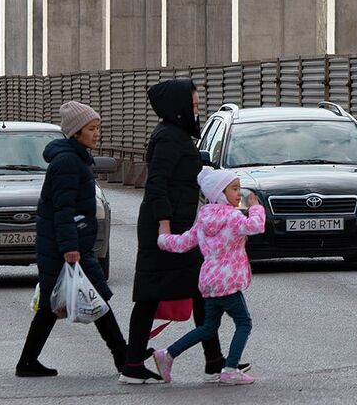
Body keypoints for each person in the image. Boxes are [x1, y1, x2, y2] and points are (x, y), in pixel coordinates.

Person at [119, 78, 224, 384]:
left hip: (179, 225)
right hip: (167, 228)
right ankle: (133, 365)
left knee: (197, 290)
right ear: (178, 107)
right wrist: (164, 226)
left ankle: (214, 361)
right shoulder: (168, 137)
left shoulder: (176, 134)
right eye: (193, 105)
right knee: (151, 294)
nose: (197, 111)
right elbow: (157, 182)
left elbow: (182, 178)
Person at [16, 101, 129, 378]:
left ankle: (27, 362)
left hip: (69, 243)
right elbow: (62, 209)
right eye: (91, 129)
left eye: (97, 128)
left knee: (52, 305)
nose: (96, 133)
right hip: (65, 246)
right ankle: (124, 358)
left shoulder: (75, 158)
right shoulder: (67, 162)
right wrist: (69, 247)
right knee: (95, 298)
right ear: (76, 132)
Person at [152, 167, 264, 384]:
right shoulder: (233, 216)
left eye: (238, 188)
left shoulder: (203, 219)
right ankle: (230, 369)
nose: (238, 193)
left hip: (209, 282)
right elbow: (256, 226)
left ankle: (168, 354)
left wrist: (163, 237)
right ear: (220, 193)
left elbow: (183, 243)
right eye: (234, 189)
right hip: (229, 281)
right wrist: (255, 207)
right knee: (244, 323)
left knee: (208, 327)